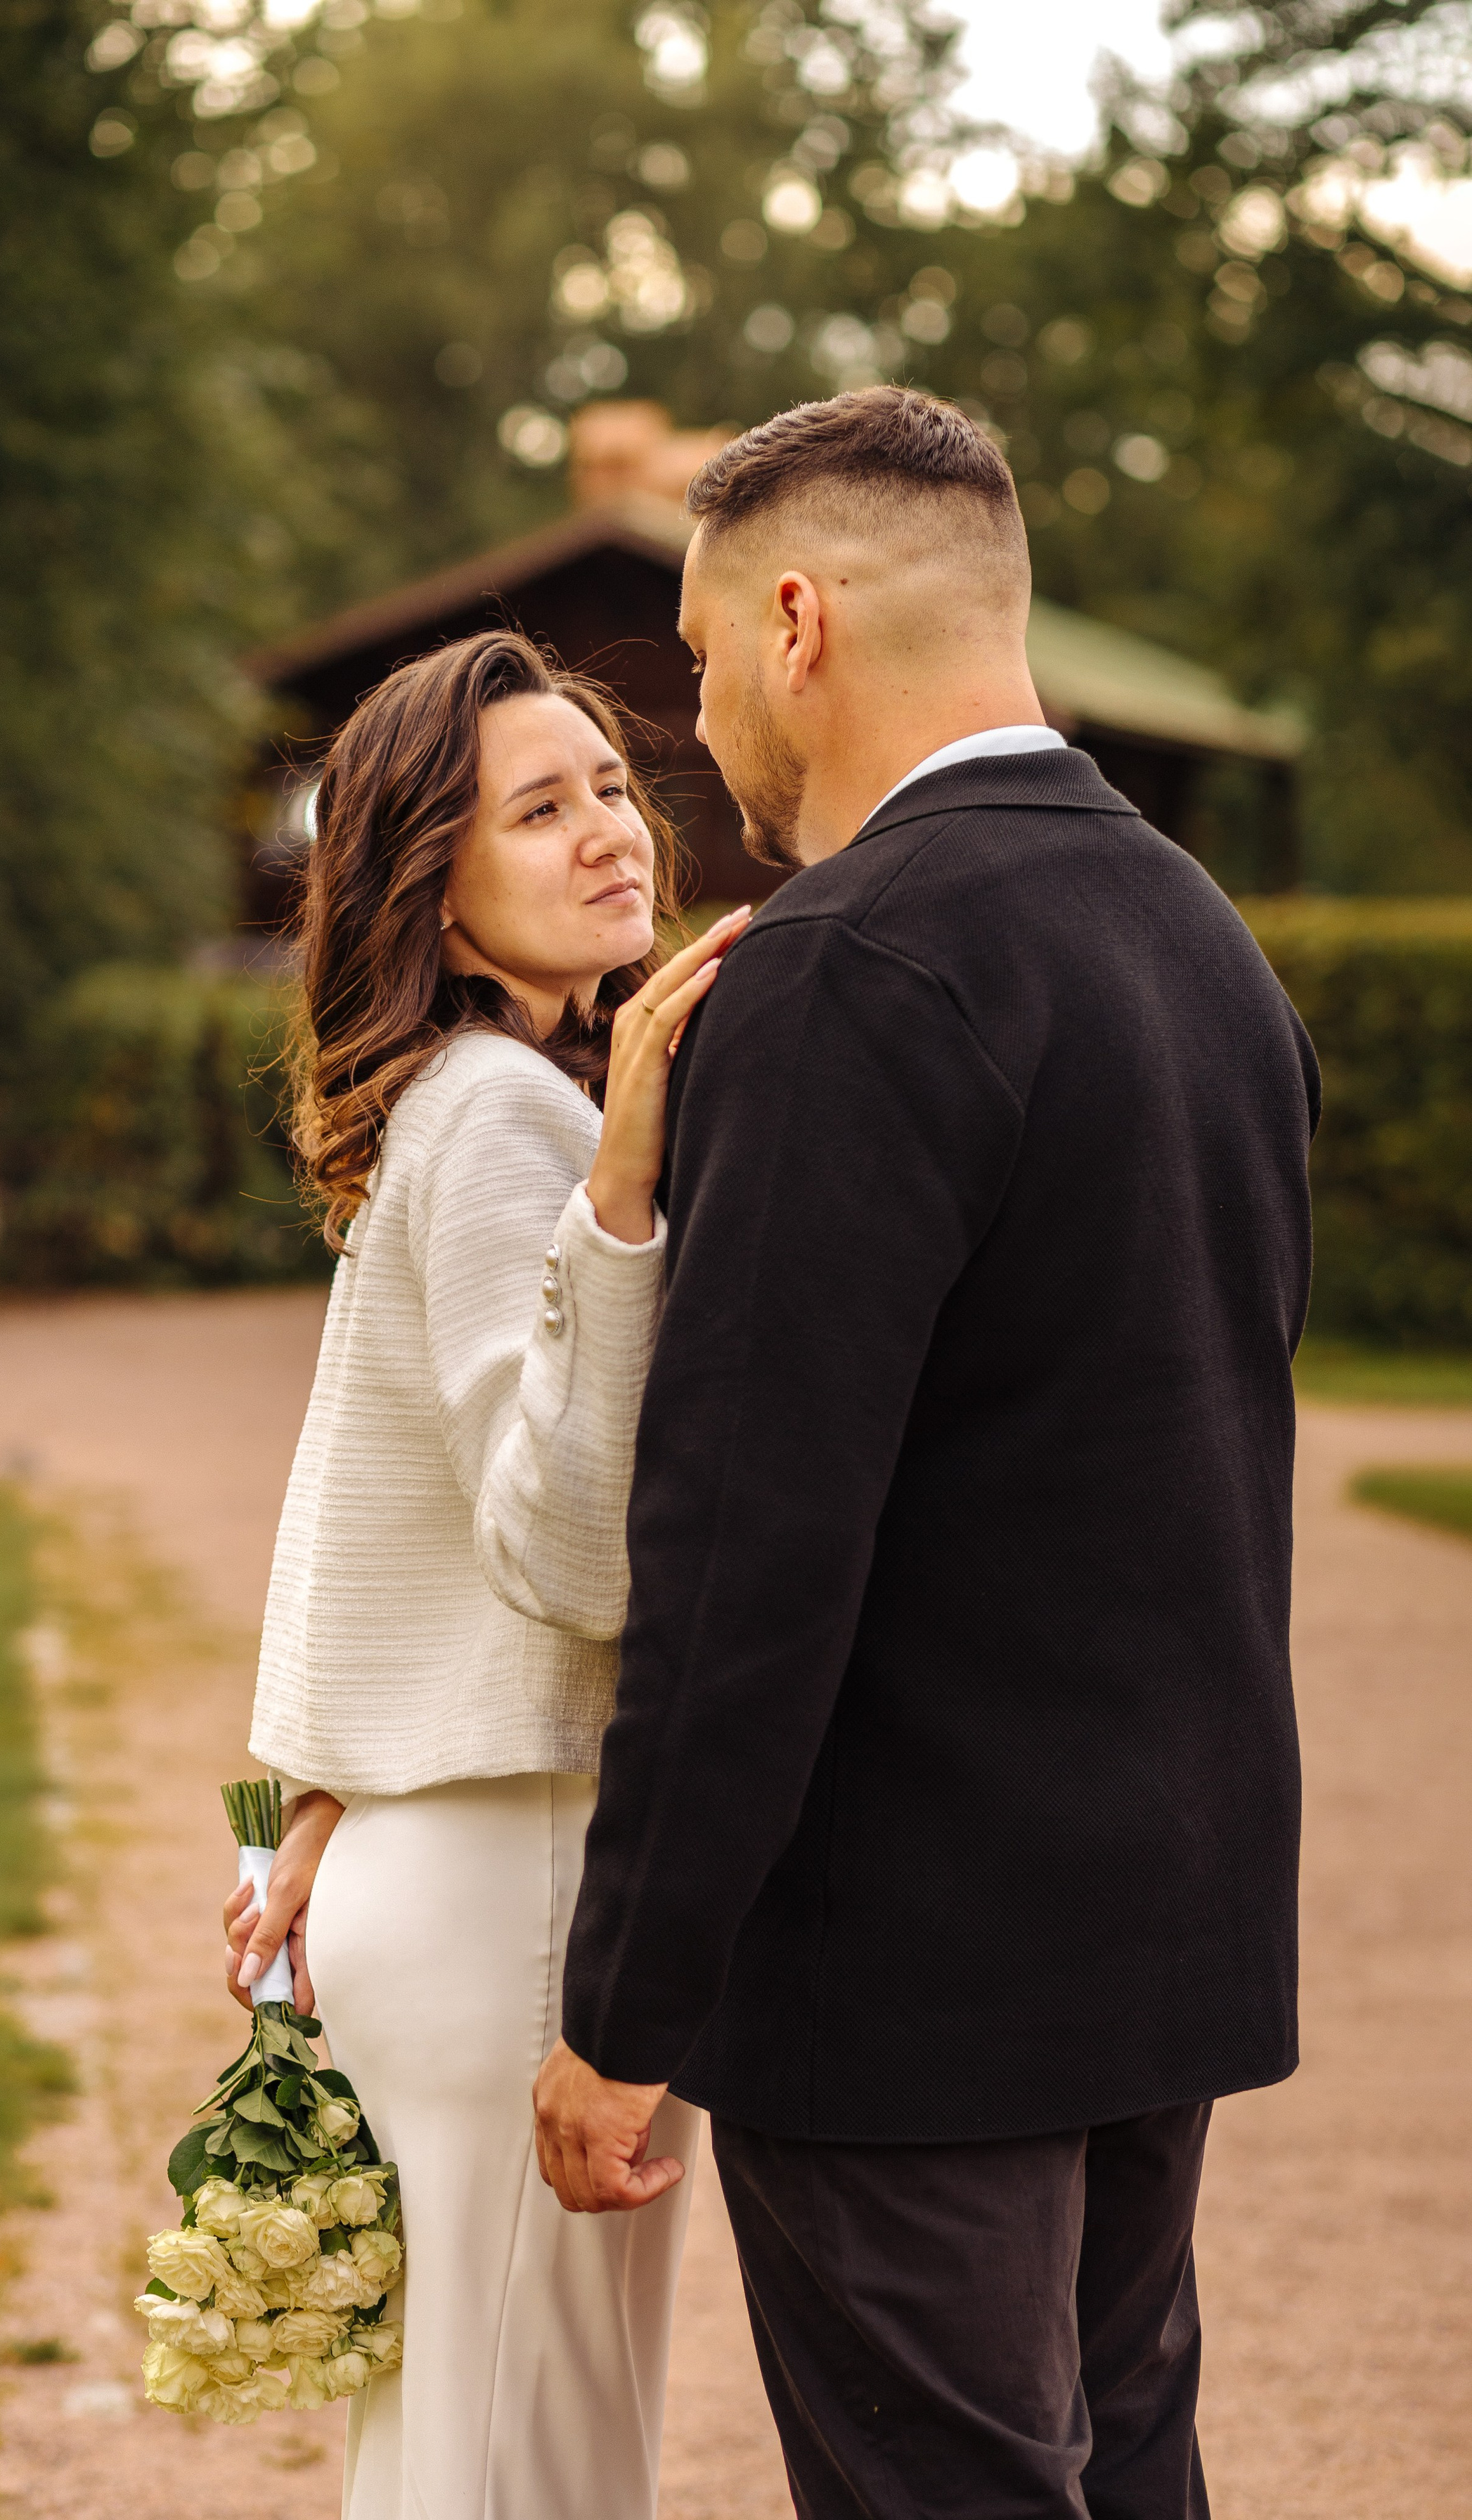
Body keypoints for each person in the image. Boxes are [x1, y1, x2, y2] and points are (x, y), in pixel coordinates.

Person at [534, 386, 1321, 2519]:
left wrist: (626, 2006)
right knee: (1127, 2475)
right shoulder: (1207, 948)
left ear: (798, 622)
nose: (701, 717)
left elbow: (745, 1553)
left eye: (702, 654)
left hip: (911, 1971)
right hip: (1164, 1918)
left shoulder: (843, 971)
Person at [224, 629, 748, 2519]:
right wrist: (622, 1207)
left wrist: (322, 1797)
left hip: (445, 1861)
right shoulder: (516, 1115)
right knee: (531, 2463)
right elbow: (569, 1553)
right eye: (539, 810)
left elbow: (386, 1498)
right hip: (518, 1873)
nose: (611, 830)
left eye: (610, 784)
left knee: (465, 2445)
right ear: (432, 898)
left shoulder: (460, 1099)